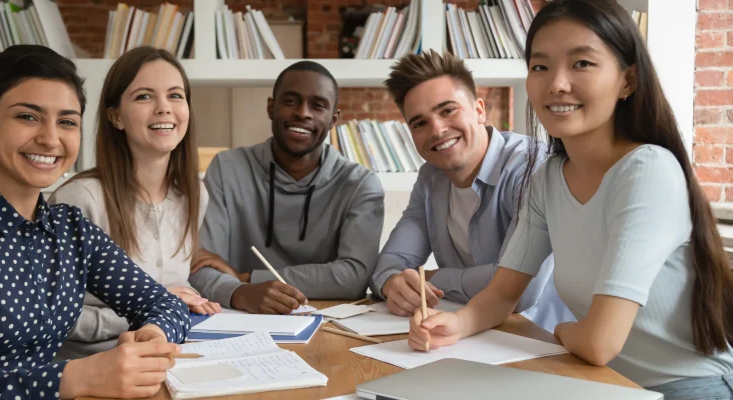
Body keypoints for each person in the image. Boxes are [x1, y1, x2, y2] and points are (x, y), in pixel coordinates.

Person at [408, 1, 733, 398]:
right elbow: (501, 294)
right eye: (540, 67)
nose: (556, 84)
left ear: (627, 80)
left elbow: (599, 342)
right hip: (603, 382)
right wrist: (455, 324)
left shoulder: (647, 170)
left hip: (685, 387)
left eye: (581, 63)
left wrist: (561, 330)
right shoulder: (548, 177)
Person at [0, 45, 190, 400]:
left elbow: (165, 303)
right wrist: (73, 378)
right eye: (28, 117)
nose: (51, 139)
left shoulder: (70, 228)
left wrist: (155, 334)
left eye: (67, 122)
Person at [373, 50, 573, 332]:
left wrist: (430, 278)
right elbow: (391, 262)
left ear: (479, 110)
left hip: (541, 339)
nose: (437, 129)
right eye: (419, 123)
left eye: (448, 110)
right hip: (467, 335)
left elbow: (520, 292)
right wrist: (391, 283)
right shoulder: (430, 177)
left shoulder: (530, 167)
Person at [48, 46, 220, 360]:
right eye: (144, 96)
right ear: (116, 117)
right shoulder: (78, 201)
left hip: (169, 357)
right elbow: (48, 318)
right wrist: (158, 308)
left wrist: (185, 302)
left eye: (175, 95)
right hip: (90, 368)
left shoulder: (195, 193)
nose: (164, 108)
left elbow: (179, 285)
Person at [189, 61, 385, 314]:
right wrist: (240, 292)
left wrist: (247, 278)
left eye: (318, 105)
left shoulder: (359, 184)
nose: (302, 113)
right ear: (271, 107)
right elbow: (200, 266)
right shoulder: (227, 168)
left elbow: (354, 277)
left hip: (330, 319)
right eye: (291, 101)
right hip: (241, 316)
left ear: (333, 119)